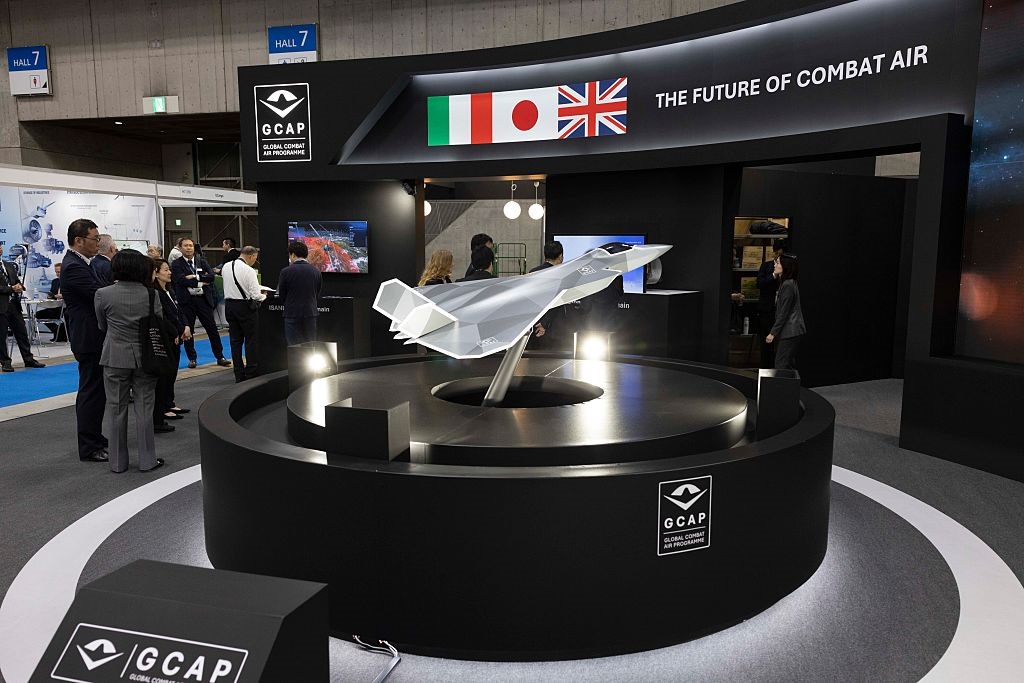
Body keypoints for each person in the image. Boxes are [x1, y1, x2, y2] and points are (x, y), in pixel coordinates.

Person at [95, 249, 163, 473]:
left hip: (115, 356)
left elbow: (102, 325)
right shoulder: (152, 295)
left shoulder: (103, 294)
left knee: (116, 409)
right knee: (145, 410)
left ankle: (117, 462)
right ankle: (147, 460)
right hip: (146, 358)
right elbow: (158, 323)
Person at [62, 219, 109, 462]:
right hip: (88, 337)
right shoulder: (73, 266)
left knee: (97, 391)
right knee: (91, 392)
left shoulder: (84, 263)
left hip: (93, 336)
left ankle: (96, 437)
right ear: (79, 240)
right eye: (95, 239)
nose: (98, 243)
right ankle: (89, 446)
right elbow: (98, 294)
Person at [171, 237, 230, 369]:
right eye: (185, 245)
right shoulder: (176, 264)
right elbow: (180, 280)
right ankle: (192, 358)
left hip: (203, 300)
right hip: (187, 301)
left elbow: (211, 277)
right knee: (188, 330)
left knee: (212, 329)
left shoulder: (201, 261)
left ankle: (220, 356)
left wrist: (195, 277)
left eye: (190, 245)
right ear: (180, 248)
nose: (188, 248)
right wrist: (201, 282)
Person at [151, 259, 191, 433]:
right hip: (167, 337)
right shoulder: (156, 293)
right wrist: (176, 331)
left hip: (177, 335)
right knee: (166, 374)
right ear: (156, 272)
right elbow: (163, 317)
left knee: (173, 371)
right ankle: (164, 406)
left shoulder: (170, 290)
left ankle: (169, 402)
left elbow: (178, 311)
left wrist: (186, 326)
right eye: (165, 270)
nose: (169, 273)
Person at [223, 246, 266, 382]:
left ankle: (238, 374)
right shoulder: (249, 270)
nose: (254, 261)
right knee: (251, 340)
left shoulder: (226, 266)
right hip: (245, 308)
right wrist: (264, 295)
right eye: (255, 258)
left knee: (235, 342)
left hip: (229, 306)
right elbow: (255, 295)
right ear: (251, 256)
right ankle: (251, 372)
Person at [0, 243, 46, 371]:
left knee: (22, 333)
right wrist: (11, 289)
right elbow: (8, 287)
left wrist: (20, 286)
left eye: (0, 246)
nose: (0, 248)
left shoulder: (9, 265)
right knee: (1, 336)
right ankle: (5, 362)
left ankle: (28, 359)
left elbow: (15, 281)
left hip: (14, 305)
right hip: (1, 307)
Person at [765, 253, 806, 371]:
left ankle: (783, 384)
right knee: (787, 365)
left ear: (785, 266)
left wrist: (773, 333)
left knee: (781, 364)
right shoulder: (788, 282)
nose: (775, 265)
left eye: (777, 263)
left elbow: (784, 312)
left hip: (790, 330)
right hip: (792, 330)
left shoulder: (788, 284)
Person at [278, 240, 323, 345]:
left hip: (292, 313)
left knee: (293, 347)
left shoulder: (285, 271)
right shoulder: (316, 271)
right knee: (311, 346)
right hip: (310, 313)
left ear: (293, 254)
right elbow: (317, 293)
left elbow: (282, 295)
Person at [756, 240, 786, 368]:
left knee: (781, 343)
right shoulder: (766, 266)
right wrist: (774, 275)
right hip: (767, 309)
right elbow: (759, 284)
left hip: (781, 310)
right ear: (774, 253)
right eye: (777, 254)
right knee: (766, 342)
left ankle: (778, 369)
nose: (778, 257)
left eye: (781, 255)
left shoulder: (788, 268)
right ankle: (765, 368)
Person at [528, 241, 565, 342]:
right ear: (560, 256)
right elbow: (557, 301)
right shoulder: (561, 274)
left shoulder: (532, 273)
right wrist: (545, 323)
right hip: (555, 327)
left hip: (534, 326)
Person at [37, 261, 66, 341]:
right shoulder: (55, 282)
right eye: (56, 272)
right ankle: (57, 330)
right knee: (39, 314)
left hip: (66, 306)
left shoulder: (69, 281)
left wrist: (62, 296)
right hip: (55, 306)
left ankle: (61, 332)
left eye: (59, 272)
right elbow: (52, 294)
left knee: (67, 314)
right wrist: (50, 296)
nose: (58, 274)